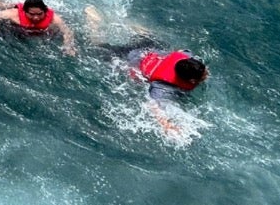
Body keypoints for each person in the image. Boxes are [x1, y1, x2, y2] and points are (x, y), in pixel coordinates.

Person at [87, 7, 209, 136]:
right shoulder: (163, 87)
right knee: (97, 46)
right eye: (204, 73)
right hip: (131, 60)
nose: (207, 72)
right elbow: (153, 105)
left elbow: (180, 51)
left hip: (148, 49)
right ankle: (94, 24)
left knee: (147, 34)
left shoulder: (186, 57)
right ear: (192, 80)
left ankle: (115, 20)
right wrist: (166, 125)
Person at [0, 0, 77, 56]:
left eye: (39, 14)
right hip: (16, 30)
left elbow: (67, 31)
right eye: (32, 14)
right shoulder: (14, 13)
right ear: (24, 12)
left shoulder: (54, 18)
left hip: (41, 33)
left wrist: (68, 45)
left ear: (45, 11)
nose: (36, 18)